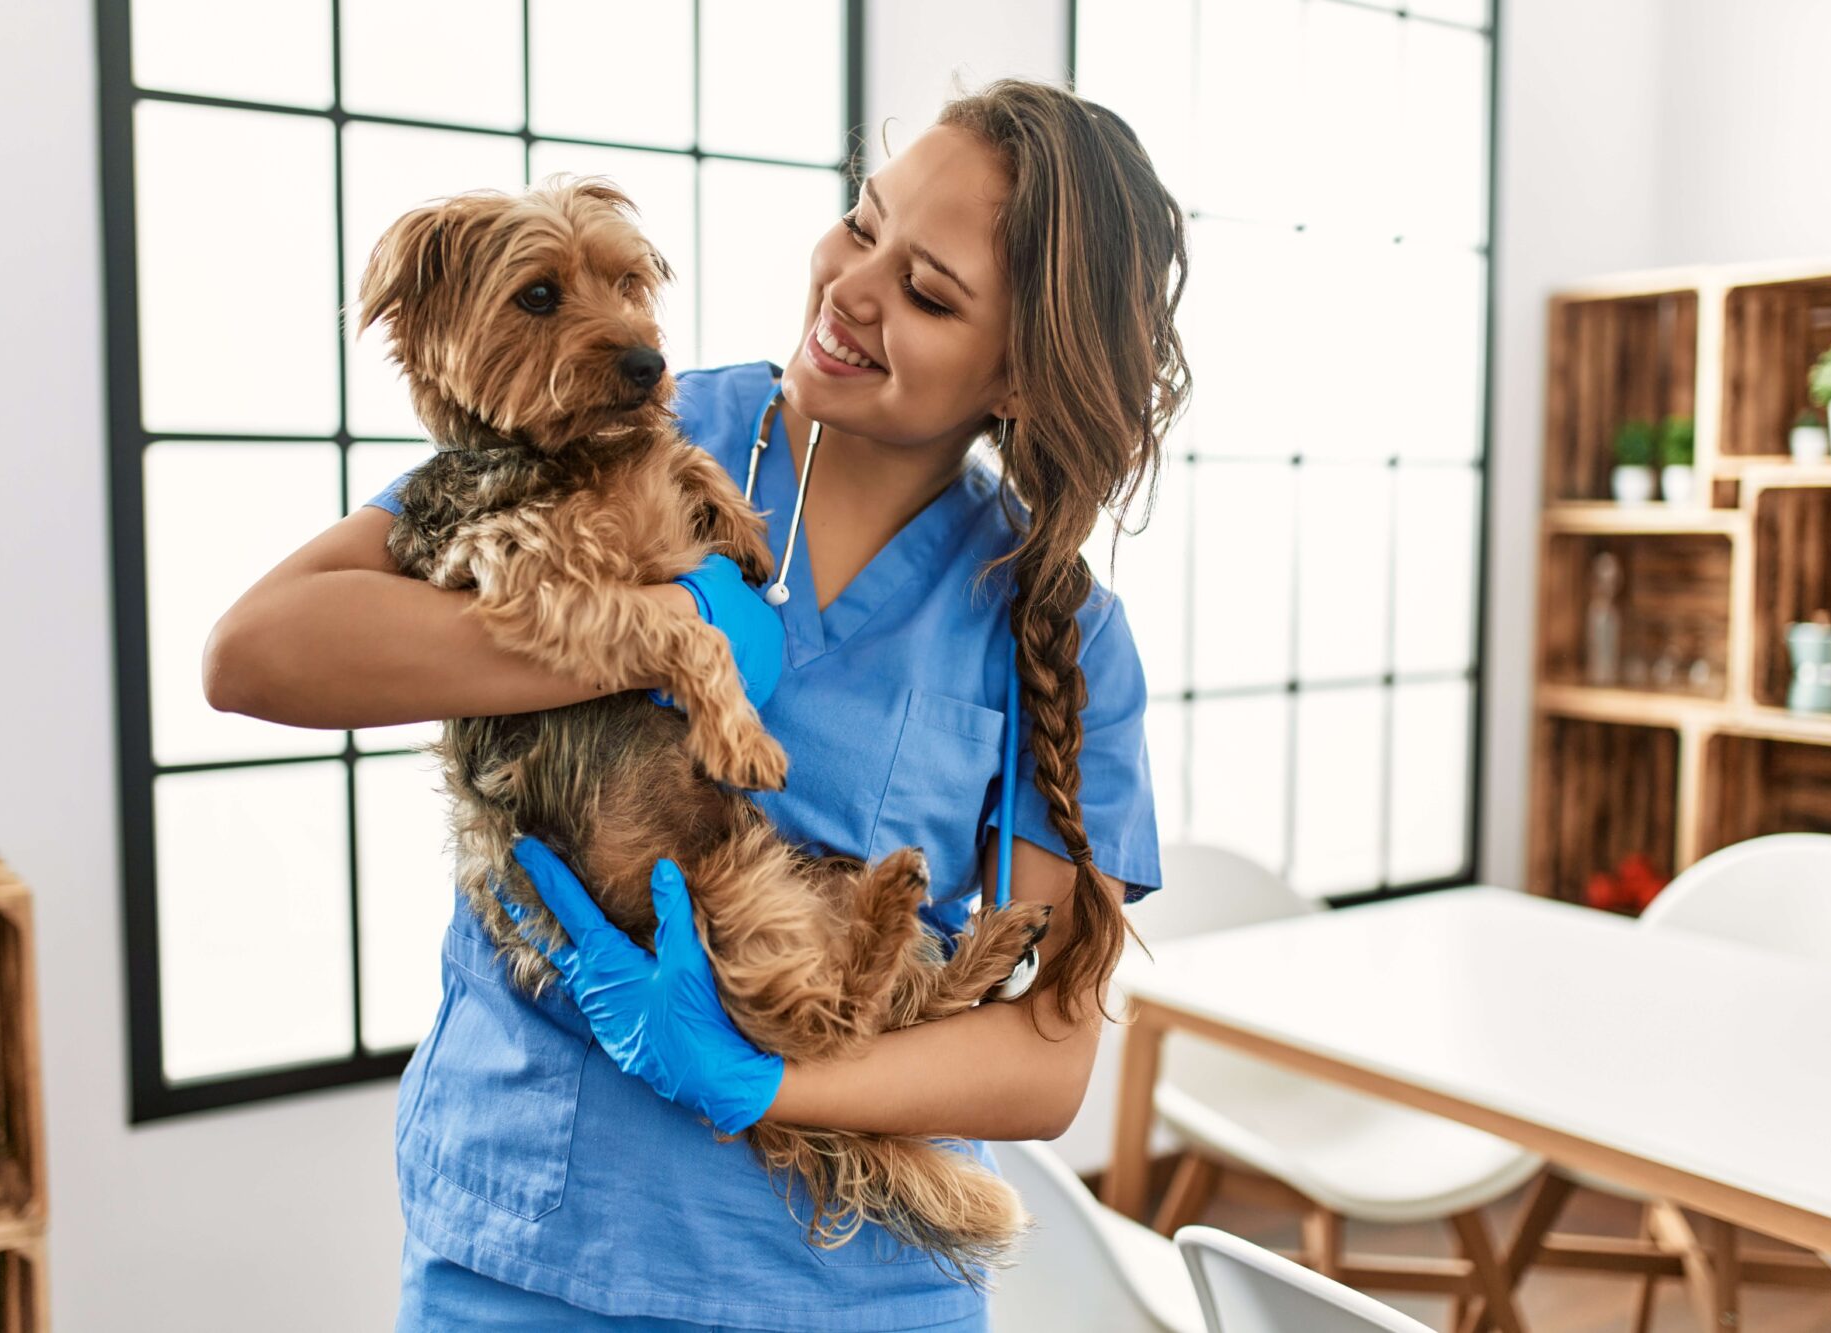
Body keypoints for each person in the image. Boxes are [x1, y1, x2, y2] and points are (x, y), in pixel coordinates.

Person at [205, 76, 1189, 1332]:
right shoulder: (626, 423)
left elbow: (1045, 1060)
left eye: (929, 292)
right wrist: (646, 644)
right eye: (860, 221)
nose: (851, 286)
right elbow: (258, 652)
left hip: (852, 1286)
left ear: (1017, 378)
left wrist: (753, 1082)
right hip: (534, 1252)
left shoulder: (1058, 631)